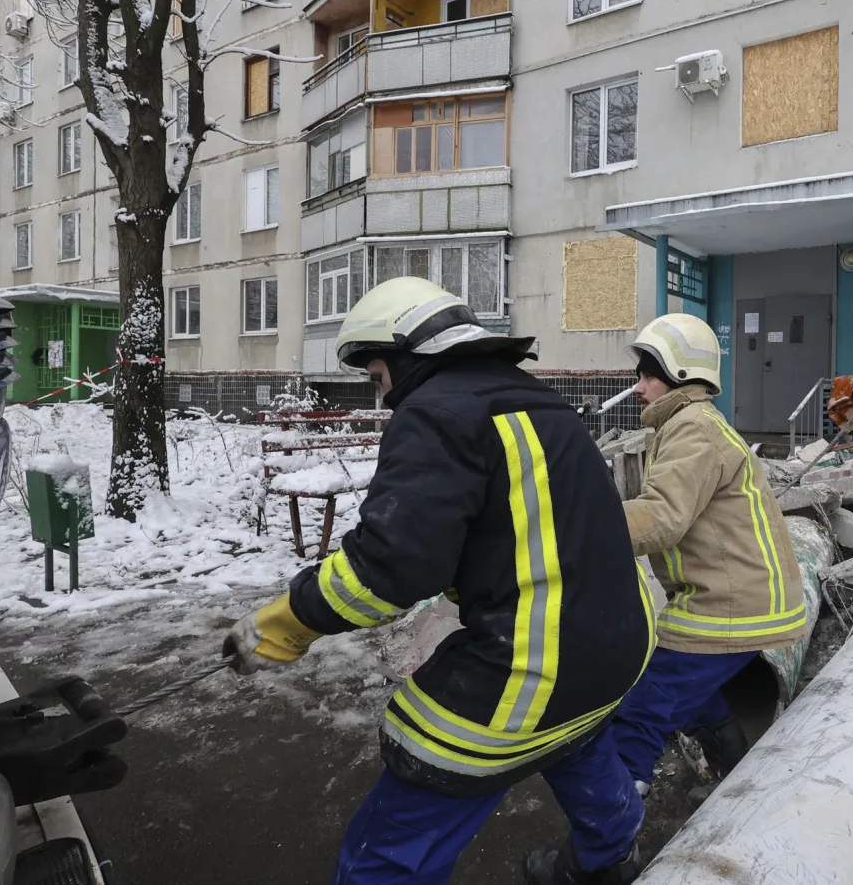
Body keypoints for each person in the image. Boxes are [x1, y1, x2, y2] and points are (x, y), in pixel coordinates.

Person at [223, 277, 657, 885]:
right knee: (575, 737)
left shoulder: (435, 411)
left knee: (423, 765)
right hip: (619, 640)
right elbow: (524, 522)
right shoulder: (536, 399)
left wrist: (289, 622)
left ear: (405, 356)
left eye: (377, 378)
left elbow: (387, 571)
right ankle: (609, 859)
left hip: (540, 661)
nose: (382, 400)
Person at [611, 313, 806, 801]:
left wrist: (581, 529)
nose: (639, 387)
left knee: (640, 712)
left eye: (648, 374)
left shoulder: (693, 430)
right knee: (691, 697)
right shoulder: (689, 425)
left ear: (679, 374)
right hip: (739, 599)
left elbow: (662, 517)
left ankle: (606, 850)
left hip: (729, 607)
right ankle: (735, 782)